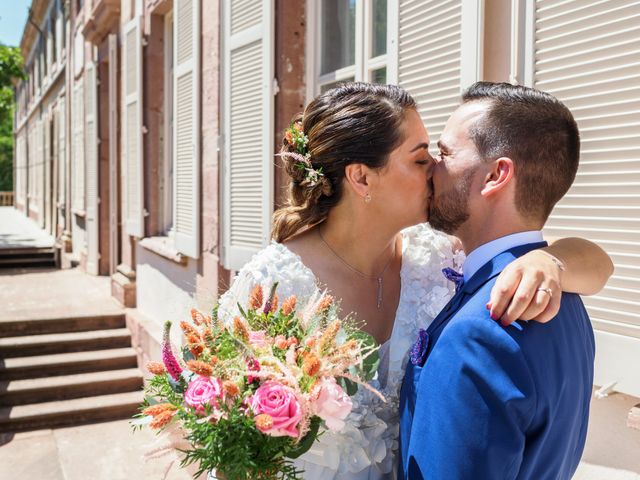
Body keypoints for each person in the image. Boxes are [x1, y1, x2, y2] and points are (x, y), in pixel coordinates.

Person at [218, 83, 613, 479]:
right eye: (422, 158)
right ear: (362, 178)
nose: (436, 169)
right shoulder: (272, 285)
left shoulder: (437, 255)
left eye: (439, 154)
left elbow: (594, 263)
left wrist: (548, 261)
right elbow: (229, 435)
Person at [398, 82, 601, 479]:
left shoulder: (479, 332)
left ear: (495, 175)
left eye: (444, 153)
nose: (431, 168)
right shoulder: (569, 301)